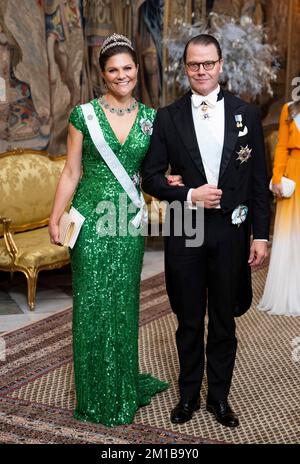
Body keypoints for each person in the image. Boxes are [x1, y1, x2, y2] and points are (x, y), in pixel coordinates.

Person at [48, 33, 182, 427]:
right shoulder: (82, 115)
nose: (121, 75)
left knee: (123, 305)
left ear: (137, 71)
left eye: (127, 68)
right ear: (103, 74)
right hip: (91, 220)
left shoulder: (151, 118)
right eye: (113, 70)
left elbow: (153, 173)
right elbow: (72, 171)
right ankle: (94, 394)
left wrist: (172, 183)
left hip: (126, 223)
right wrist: (55, 217)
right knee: (92, 305)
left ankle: (121, 386)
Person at [141, 34, 270, 428]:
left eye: (208, 64)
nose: (201, 71)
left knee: (225, 319)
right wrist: (189, 193)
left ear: (220, 64)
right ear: (185, 67)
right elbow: (149, 177)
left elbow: (258, 180)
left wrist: (261, 234)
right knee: (189, 317)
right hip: (186, 227)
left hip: (231, 231)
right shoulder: (167, 116)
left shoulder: (245, 114)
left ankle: (219, 398)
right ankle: (187, 397)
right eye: (194, 65)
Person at [258, 100, 300, 316]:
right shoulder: (290, 108)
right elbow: (282, 146)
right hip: (294, 175)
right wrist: (276, 178)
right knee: (289, 235)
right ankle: (289, 293)